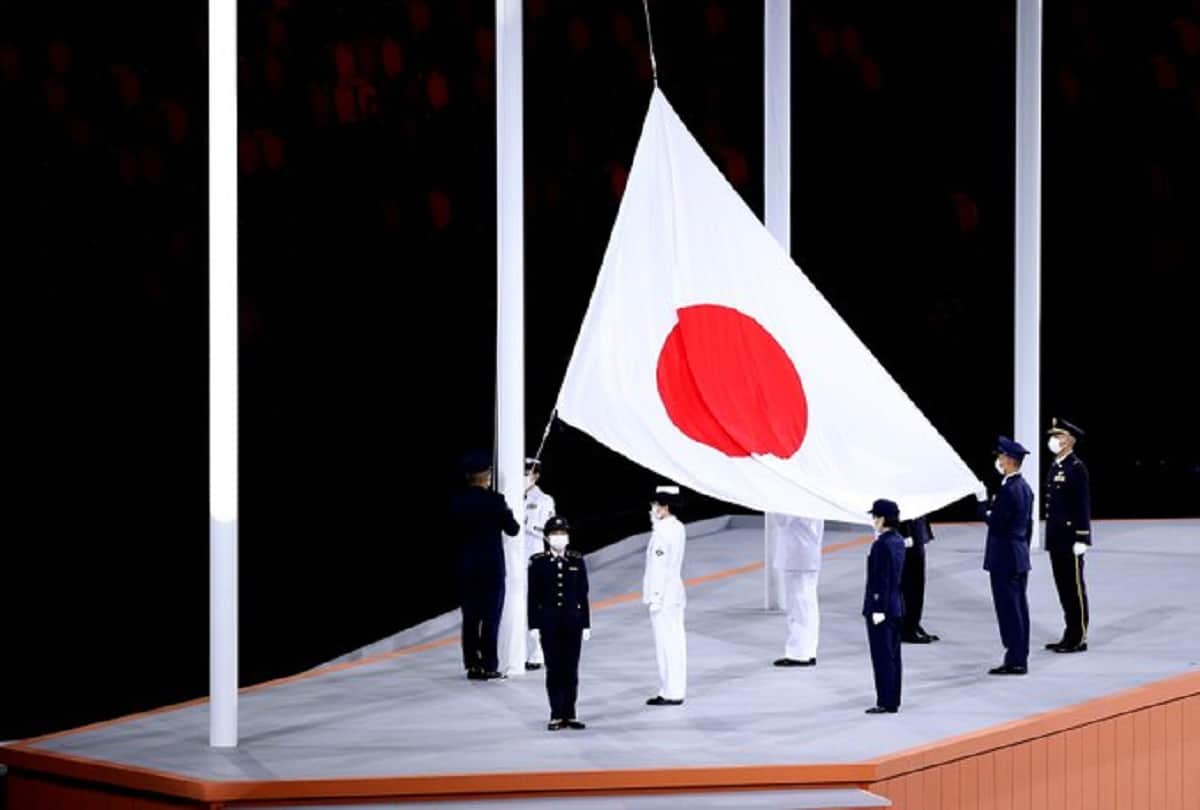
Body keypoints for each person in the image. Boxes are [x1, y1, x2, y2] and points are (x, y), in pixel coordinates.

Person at [449, 451, 519, 680]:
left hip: (466, 567)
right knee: (491, 617)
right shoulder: (494, 501)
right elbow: (513, 529)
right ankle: (489, 664)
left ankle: (472, 665)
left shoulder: (456, 502)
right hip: (491, 567)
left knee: (470, 618)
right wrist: (506, 511)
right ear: (485, 475)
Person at [977, 436, 1035, 676]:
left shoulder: (1010, 490)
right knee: (1019, 608)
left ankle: (1015, 659)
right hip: (1018, 555)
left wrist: (982, 505)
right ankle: (1019, 654)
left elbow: (996, 523)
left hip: (1005, 558)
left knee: (1009, 610)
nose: (999, 461)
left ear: (1010, 461)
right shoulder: (1025, 488)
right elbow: (1028, 525)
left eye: (1001, 457)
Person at [528, 516, 590, 730]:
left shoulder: (576, 560)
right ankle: (556, 713)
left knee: (571, 670)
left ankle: (570, 713)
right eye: (555, 534)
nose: (560, 537)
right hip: (549, 623)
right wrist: (533, 625)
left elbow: (583, 595)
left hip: (573, 622)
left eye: (563, 533)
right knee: (554, 669)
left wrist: (586, 624)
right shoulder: (538, 563)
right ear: (547, 537)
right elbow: (532, 597)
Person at [1043, 418, 1092, 653]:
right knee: (1062, 587)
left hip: (1071, 538)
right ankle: (1068, 632)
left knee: (1073, 588)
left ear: (1069, 440)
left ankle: (1078, 636)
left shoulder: (1076, 468)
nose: (1053, 440)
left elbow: (1082, 505)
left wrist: (1082, 537)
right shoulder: (1056, 465)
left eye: (1059, 436)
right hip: (1056, 538)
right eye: (1053, 436)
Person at [643, 485, 687, 706]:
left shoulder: (662, 531)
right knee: (676, 642)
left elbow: (659, 567)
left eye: (656, 504)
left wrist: (656, 597)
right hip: (675, 592)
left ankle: (670, 691)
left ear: (665, 507)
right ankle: (674, 688)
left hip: (664, 596)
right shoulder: (677, 527)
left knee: (666, 644)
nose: (652, 508)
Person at [863, 499, 906, 714]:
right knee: (893, 655)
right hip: (896, 605)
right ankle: (892, 698)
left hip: (882, 607)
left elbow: (881, 578)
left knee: (882, 656)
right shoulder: (897, 540)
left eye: (875, 517)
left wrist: (877, 607)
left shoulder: (881, 545)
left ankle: (885, 700)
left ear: (882, 518)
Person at [768, 514, 824, 667]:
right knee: (808, 607)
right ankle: (808, 650)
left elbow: (781, 519)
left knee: (798, 608)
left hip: (797, 557)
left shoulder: (794, 501)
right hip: (807, 555)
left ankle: (799, 654)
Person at [523, 457, 556, 670]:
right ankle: (520, 652)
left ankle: (537, 653)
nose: (524, 477)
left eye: (528, 473)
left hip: (533, 559)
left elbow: (550, 531)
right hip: (513, 560)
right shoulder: (511, 497)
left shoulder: (544, 500)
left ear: (536, 475)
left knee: (535, 607)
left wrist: (528, 524)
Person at [898, 515, 940, 643]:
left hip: (914, 529)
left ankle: (912, 624)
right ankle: (908, 628)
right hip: (908, 534)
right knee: (912, 585)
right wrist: (905, 534)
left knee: (915, 584)